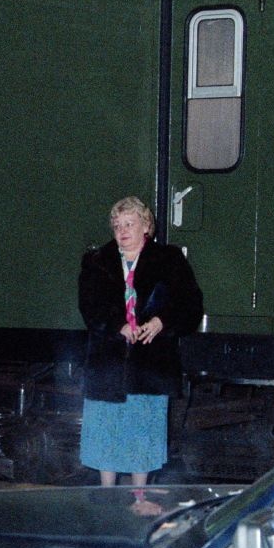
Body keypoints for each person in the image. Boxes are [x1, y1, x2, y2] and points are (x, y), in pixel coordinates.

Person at [78, 196, 203, 486]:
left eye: (129, 224)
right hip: (108, 361)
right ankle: (107, 493)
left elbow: (190, 304)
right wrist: (116, 326)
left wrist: (162, 322)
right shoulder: (96, 262)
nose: (122, 231)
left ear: (145, 226)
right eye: (117, 225)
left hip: (151, 364)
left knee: (142, 429)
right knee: (106, 429)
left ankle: (139, 494)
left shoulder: (170, 260)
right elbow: (89, 306)